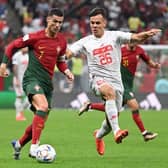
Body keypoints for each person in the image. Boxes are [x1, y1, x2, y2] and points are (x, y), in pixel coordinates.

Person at [65, 7, 161, 155]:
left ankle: (98, 136)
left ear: (104, 23)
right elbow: (69, 53)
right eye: (92, 23)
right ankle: (117, 131)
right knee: (109, 93)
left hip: (117, 83)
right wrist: (60, 54)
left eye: (97, 22)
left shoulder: (114, 36)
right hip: (98, 81)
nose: (94, 26)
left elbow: (135, 38)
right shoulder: (85, 42)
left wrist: (146, 34)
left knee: (109, 122)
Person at [0, 8, 74, 159]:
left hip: (47, 84)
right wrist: (3, 64)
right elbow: (12, 46)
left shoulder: (62, 41)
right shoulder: (35, 37)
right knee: (43, 107)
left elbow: (60, 61)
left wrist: (66, 71)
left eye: (60, 22)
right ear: (48, 20)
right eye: (55, 21)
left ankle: (19, 144)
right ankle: (34, 148)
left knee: (40, 120)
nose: (57, 25)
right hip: (32, 79)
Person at [79, 42, 160, 142]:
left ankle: (90, 107)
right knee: (134, 105)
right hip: (119, 83)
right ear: (127, 40)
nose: (133, 42)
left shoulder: (140, 50)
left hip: (129, 83)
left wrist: (154, 65)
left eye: (135, 40)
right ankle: (144, 133)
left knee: (113, 112)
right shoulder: (120, 50)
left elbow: (148, 61)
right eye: (131, 40)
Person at [12, 47, 29, 121]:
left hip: (26, 80)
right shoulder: (17, 55)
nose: (26, 48)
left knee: (29, 98)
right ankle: (18, 115)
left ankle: (20, 111)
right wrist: (16, 79)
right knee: (19, 96)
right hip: (18, 79)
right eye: (25, 47)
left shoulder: (28, 56)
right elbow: (14, 68)